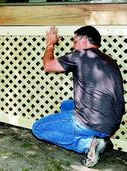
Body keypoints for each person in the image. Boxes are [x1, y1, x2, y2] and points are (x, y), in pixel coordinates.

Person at [32, 25, 125, 167]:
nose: (72, 45)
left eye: (74, 41)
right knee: (65, 105)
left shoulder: (81, 55)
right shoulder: (110, 61)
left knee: (38, 128)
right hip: (111, 123)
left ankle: (88, 144)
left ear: (84, 40)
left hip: (92, 121)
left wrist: (50, 43)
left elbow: (48, 65)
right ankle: (97, 136)